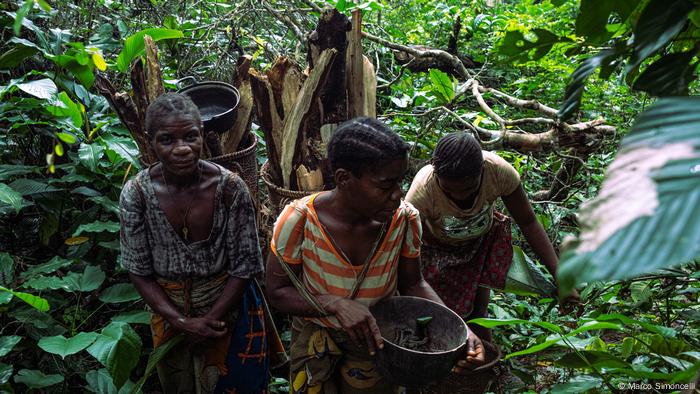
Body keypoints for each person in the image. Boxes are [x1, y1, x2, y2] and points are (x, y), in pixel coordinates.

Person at [265, 117, 485, 394]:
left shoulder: (404, 220)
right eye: (385, 186)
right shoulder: (300, 221)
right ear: (344, 178)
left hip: (380, 345)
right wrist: (335, 304)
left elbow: (413, 283)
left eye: (399, 183)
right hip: (315, 340)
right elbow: (277, 291)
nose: (397, 195)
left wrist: (459, 329)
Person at [119, 93, 270, 393]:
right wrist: (182, 322)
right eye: (167, 140)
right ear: (151, 141)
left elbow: (245, 264)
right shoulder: (136, 194)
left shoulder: (229, 188)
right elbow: (138, 269)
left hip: (228, 311)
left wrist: (208, 321)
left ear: (202, 134)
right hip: (169, 312)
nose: (182, 149)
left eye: (190, 136)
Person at [405, 132, 579, 343]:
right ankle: (443, 342)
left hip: (480, 244)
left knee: (478, 307)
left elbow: (528, 222)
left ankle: (483, 343)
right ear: (436, 174)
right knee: (436, 308)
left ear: (482, 171)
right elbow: (406, 250)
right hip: (436, 250)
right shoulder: (423, 193)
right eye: (450, 190)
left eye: (469, 189)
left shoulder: (497, 171)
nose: (461, 197)